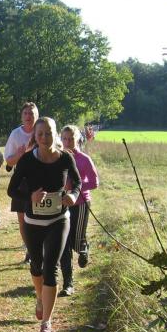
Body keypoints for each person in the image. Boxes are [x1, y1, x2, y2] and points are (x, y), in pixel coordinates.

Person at [7, 117, 81, 332]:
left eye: (48, 133)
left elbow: (77, 183)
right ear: (35, 136)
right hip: (33, 223)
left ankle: (46, 322)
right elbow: (11, 190)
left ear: (55, 134)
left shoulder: (65, 158)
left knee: (50, 267)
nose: (44, 137)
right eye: (40, 134)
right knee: (37, 265)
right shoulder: (27, 160)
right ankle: (40, 297)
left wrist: (72, 195)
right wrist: (30, 197)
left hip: (59, 220)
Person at [59, 125, 100, 296]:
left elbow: (95, 182)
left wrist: (76, 187)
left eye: (71, 139)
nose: (68, 142)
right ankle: (68, 283)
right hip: (62, 204)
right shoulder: (57, 157)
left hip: (81, 203)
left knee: (77, 238)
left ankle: (83, 248)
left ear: (78, 140)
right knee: (64, 243)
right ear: (61, 139)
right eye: (65, 139)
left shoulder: (84, 159)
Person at [4, 102, 39, 262]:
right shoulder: (15, 134)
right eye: (25, 113)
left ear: (37, 116)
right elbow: (9, 162)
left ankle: (40, 247)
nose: (28, 116)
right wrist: (20, 155)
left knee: (40, 216)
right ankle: (30, 250)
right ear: (21, 116)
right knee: (23, 218)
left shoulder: (42, 130)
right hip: (22, 181)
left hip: (41, 179)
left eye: (31, 113)